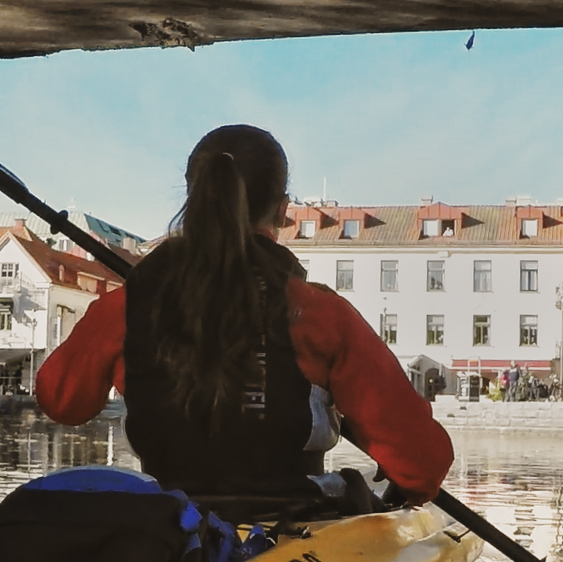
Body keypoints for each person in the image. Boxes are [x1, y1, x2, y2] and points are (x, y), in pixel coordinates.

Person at [36, 124, 452, 506]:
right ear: (283, 209)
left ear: (193, 195)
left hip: (168, 524)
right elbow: (423, 465)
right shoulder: (321, 314)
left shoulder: (128, 305)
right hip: (290, 519)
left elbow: (61, 403)